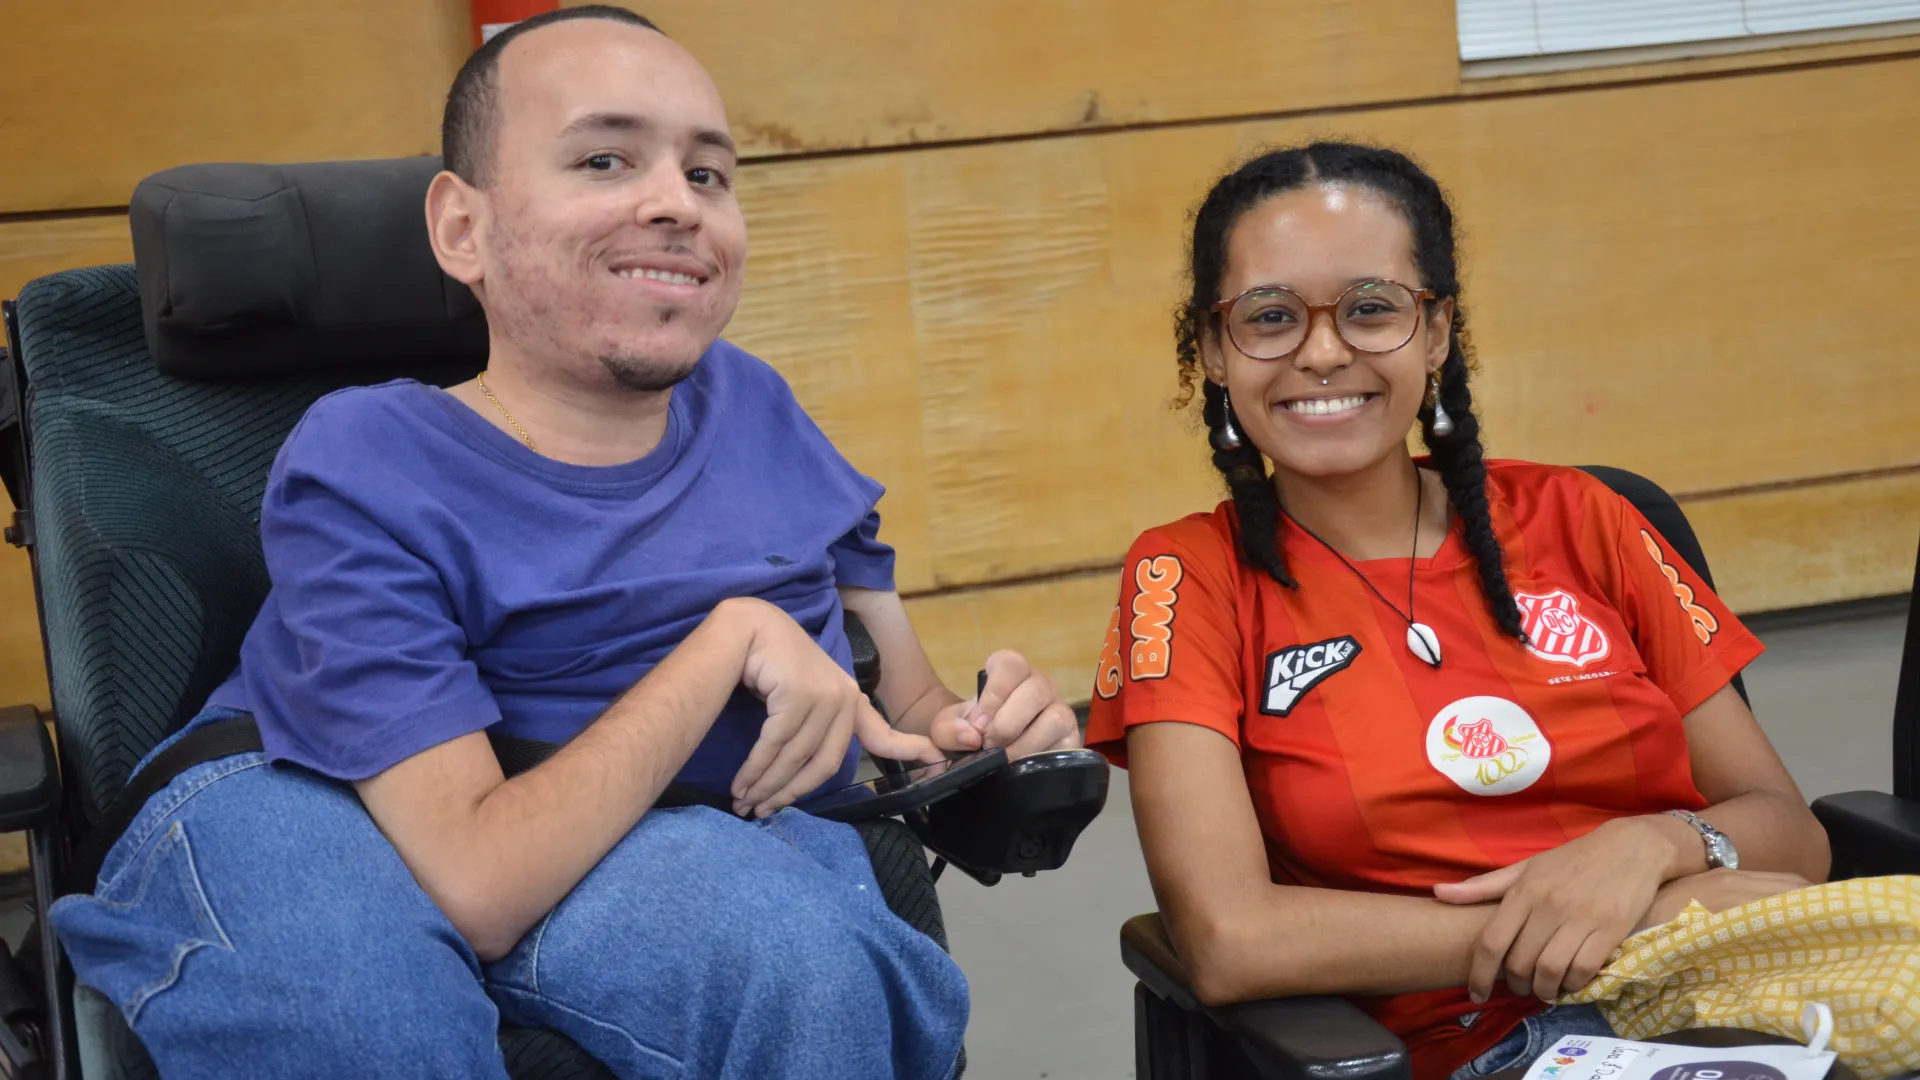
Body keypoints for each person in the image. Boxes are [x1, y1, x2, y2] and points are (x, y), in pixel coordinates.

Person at [50, 8, 1079, 1078]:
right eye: (604, 160)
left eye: (709, 174)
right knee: (365, 1019)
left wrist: (981, 733)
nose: (676, 202)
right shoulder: (370, 456)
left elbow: (906, 704)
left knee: (806, 969)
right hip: (313, 798)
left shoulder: (760, 409)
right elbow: (478, 877)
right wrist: (728, 641)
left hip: (630, 829)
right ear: (462, 229)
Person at [1086, 142, 1829, 1080]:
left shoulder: (1583, 516)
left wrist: (1656, 843)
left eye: (1371, 309)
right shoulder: (1187, 575)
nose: (1323, 352)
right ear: (1213, 350)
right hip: (1482, 1047)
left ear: (1436, 332)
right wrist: (1622, 923)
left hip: (1739, 995)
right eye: (1270, 317)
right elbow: (1229, 938)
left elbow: (1793, 836)